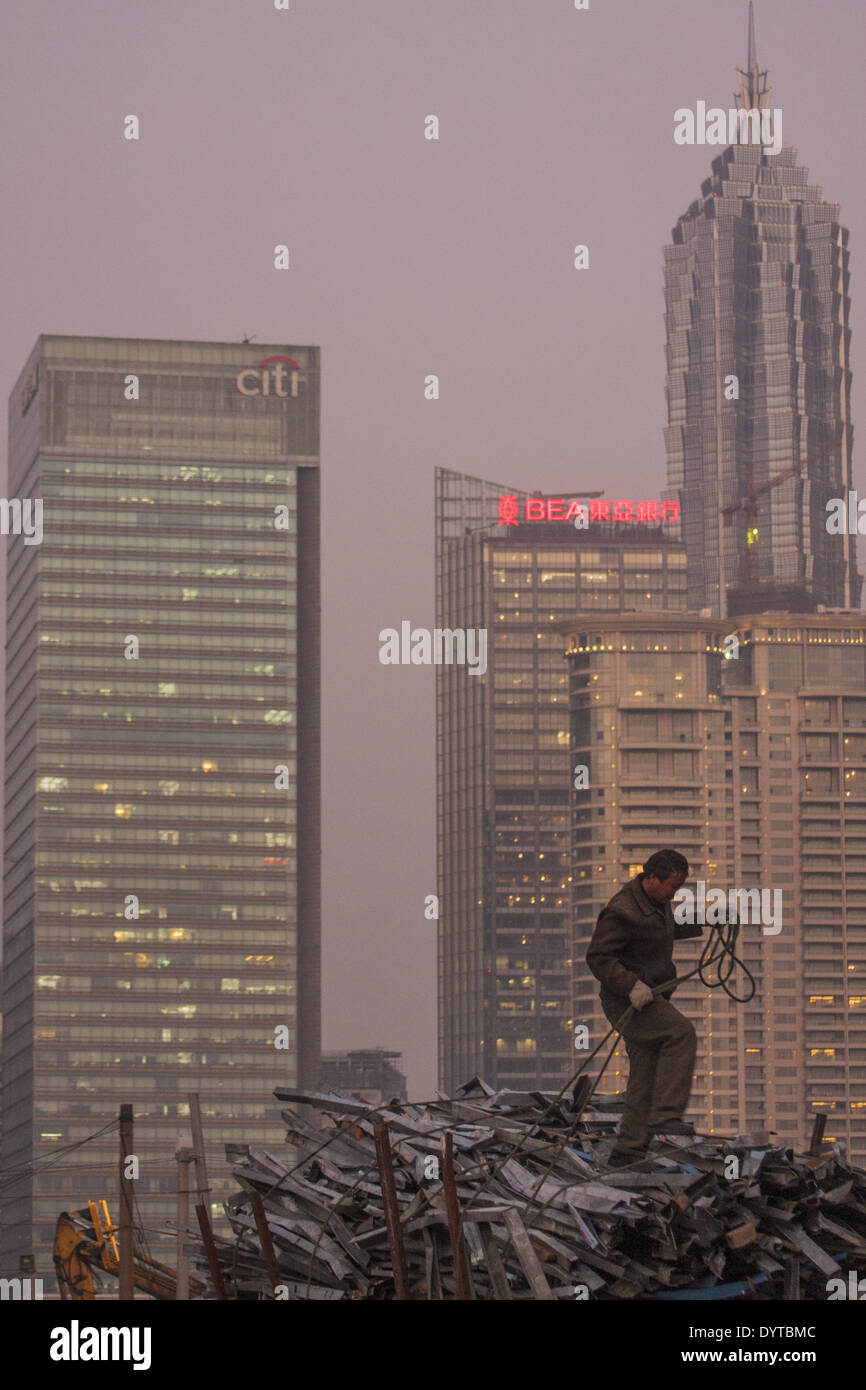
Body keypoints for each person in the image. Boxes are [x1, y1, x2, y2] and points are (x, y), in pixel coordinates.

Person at [585, 850, 701, 1167]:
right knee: (680, 1034)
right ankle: (666, 1116)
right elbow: (598, 957)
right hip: (628, 1000)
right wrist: (630, 985)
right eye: (672, 888)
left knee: (645, 1071)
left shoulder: (655, 903)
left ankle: (628, 1149)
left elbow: (660, 929)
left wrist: (702, 922)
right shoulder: (622, 911)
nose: (674, 895)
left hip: (650, 998)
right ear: (652, 878)